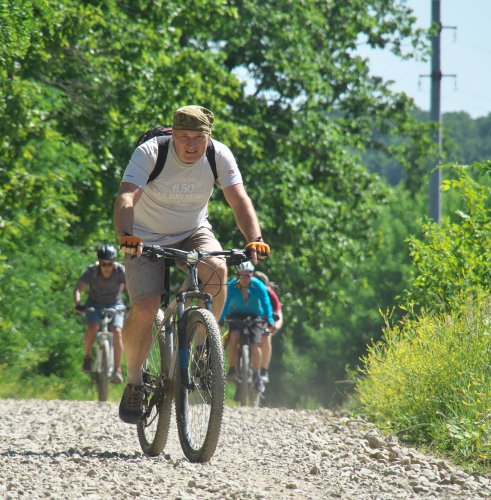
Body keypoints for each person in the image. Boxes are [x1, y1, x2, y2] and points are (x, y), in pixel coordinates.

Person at [114, 105, 270, 424]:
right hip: (143, 235)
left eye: (198, 138)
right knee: (144, 308)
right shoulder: (150, 152)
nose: (190, 144)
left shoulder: (218, 155)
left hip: (193, 230)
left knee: (218, 269)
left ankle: (202, 349)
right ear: (173, 134)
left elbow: (239, 199)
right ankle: (133, 381)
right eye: (183, 136)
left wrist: (255, 237)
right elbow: (126, 197)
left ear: (208, 137)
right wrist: (126, 234)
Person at [74, 244, 126, 384]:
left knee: (117, 331)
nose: (107, 267)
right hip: (94, 304)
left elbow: (131, 287)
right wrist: (79, 304)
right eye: (103, 264)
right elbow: (78, 289)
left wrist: (134, 304)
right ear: (99, 262)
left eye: (110, 264)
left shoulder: (121, 271)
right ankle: (87, 357)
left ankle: (117, 370)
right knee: (92, 327)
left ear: (114, 262)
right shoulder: (92, 271)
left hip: (116, 304)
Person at [219, 261, 275, 394]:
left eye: (247, 276)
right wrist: (221, 318)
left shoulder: (258, 285)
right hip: (236, 315)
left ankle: (257, 375)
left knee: (256, 344)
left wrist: (270, 319)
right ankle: (232, 369)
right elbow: (226, 303)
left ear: (252, 275)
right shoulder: (232, 285)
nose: (244, 279)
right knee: (233, 337)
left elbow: (266, 303)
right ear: (237, 275)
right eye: (241, 276)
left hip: (255, 316)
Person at [254, 270, 283, 384]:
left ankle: (263, 370)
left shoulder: (270, 294)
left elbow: (279, 315)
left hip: (264, 321)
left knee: (266, 337)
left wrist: (273, 328)